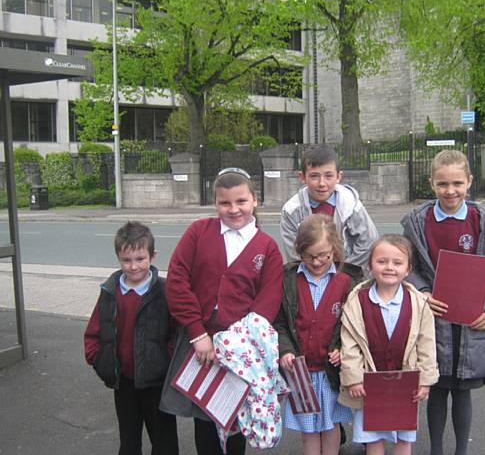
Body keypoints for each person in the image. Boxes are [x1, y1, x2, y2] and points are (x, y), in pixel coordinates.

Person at [159, 167, 284, 455]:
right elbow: (177, 280)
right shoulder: (198, 232)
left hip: (241, 348)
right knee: (205, 419)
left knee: (235, 418)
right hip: (200, 342)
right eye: (225, 203)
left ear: (254, 200)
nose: (233, 209)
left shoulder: (267, 247)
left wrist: (235, 342)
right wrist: (197, 332)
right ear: (215, 203)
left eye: (241, 201)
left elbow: (268, 300)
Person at [401, 150, 485, 455]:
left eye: (457, 183)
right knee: (436, 390)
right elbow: (406, 266)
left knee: (462, 393)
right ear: (431, 183)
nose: (450, 191)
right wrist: (422, 292)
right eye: (442, 184)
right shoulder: (417, 222)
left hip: (471, 323)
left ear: (469, 182)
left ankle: (461, 450)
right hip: (433, 320)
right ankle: (436, 450)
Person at [84, 221, 179, 455]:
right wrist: (100, 360)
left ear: (152, 256)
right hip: (123, 381)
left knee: (164, 440)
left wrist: (165, 363)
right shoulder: (110, 292)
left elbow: (176, 334)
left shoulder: (165, 292)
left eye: (140, 259)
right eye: (127, 260)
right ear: (118, 257)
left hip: (156, 382)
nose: (134, 266)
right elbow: (94, 331)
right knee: (128, 440)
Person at [339, 234, 439, 455]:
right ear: (370, 266)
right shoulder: (357, 301)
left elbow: (427, 345)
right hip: (369, 383)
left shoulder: (419, 304)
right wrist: (354, 378)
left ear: (408, 269)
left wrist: (425, 380)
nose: (389, 267)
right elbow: (350, 344)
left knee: (404, 438)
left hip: (406, 382)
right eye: (382, 261)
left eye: (397, 262)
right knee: (373, 438)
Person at [274, 214, 362, 455]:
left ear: (334, 249)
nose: (316, 262)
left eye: (323, 255)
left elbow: (353, 326)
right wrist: (286, 350)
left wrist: (342, 348)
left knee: (331, 426)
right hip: (302, 374)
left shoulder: (348, 282)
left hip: (330, 373)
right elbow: (280, 322)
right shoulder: (288, 279)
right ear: (299, 251)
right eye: (309, 256)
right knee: (309, 430)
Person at [280, 144, 378, 271]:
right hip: (310, 275)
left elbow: (368, 241)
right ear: (302, 177)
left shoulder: (350, 203)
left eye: (328, 176)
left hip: (347, 272)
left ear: (338, 177)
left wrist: (345, 272)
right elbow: (294, 254)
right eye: (314, 176)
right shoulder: (291, 211)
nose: (322, 183)